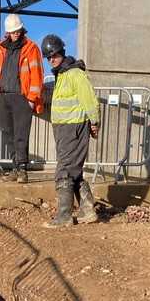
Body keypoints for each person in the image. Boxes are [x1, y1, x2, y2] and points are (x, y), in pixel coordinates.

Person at [40, 34, 100, 228]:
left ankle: (64, 216)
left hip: (74, 127)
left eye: (54, 55)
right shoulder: (62, 74)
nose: (52, 59)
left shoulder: (75, 73)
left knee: (64, 170)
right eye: (49, 57)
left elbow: (89, 98)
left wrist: (94, 122)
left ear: (62, 52)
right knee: (74, 171)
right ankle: (88, 210)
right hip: (64, 129)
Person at [0, 14, 44, 184]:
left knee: (21, 135)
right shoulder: (1, 49)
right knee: (8, 135)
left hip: (22, 98)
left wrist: (31, 99)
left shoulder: (31, 48)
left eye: (18, 30)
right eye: (13, 31)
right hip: (3, 98)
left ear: (22, 29)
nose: (16, 33)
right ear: (8, 32)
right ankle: (15, 168)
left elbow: (37, 74)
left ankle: (22, 170)